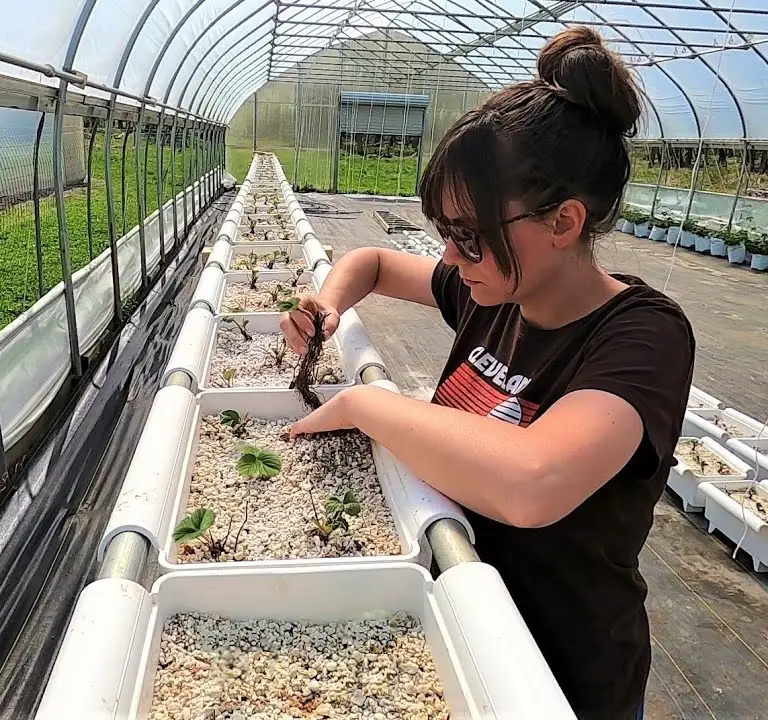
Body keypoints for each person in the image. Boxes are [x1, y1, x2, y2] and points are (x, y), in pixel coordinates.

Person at [280, 26, 694, 720]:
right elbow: (376, 264)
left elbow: (533, 481)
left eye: (468, 235)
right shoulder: (493, 292)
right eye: (443, 231)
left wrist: (367, 403)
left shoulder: (642, 336)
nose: (451, 254)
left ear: (564, 221)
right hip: (460, 624)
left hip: (560, 673)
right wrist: (327, 302)